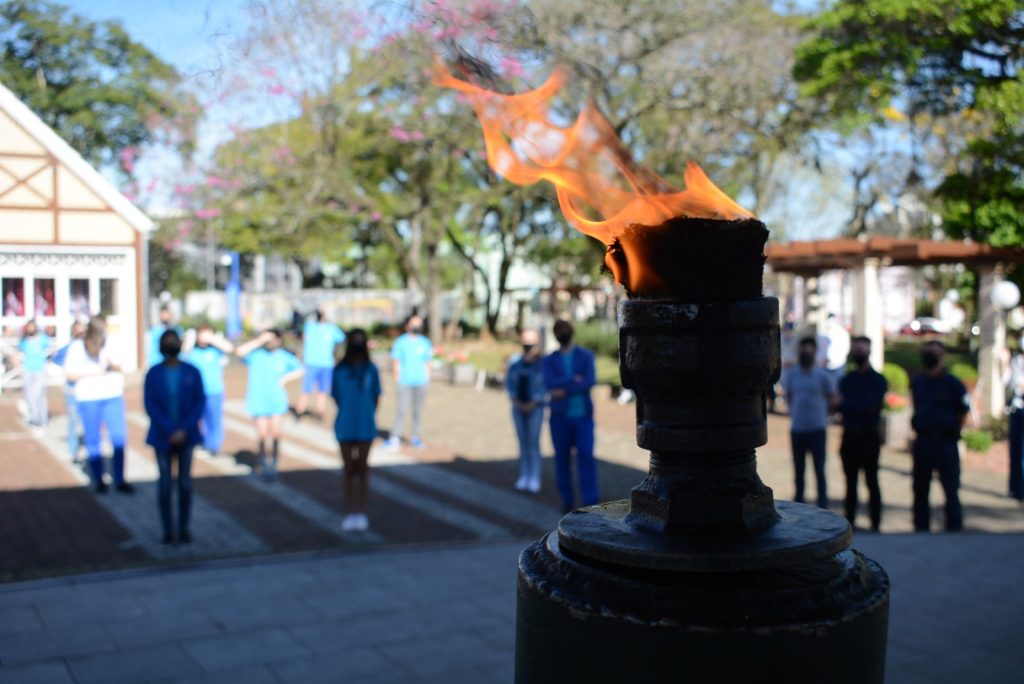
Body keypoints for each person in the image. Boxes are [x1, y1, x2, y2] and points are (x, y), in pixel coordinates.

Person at [144, 330, 205, 544]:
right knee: (165, 484)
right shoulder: (154, 373)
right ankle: (168, 529)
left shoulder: (192, 372)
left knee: (185, 483)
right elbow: (150, 405)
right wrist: (170, 429)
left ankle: (184, 527)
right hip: (163, 437)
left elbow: (199, 402)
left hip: (186, 436)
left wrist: (183, 429)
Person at [63, 317, 133, 494]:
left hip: (112, 396)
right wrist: (92, 372)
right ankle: (99, 478)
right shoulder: (77, 347)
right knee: (93, 439)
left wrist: (112, 364)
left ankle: (120, 479)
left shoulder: (111, 344)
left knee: (118, 438)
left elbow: (124, 365)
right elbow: (69, 375)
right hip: (88, 398)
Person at [910, 340, 970, 531]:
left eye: (934, 352)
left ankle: (954, 529)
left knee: (950, 488)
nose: (929, 356)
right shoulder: (919, 382)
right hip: (923, 441)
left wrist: (952, 429)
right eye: (927, 352)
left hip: (945, 442)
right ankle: (920, 530)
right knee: (920, 489)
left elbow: (963, 411)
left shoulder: (953, 384)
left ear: (943, 355)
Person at [542, 319, 598, 513]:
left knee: (586, 457)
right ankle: (567, 500)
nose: (562, 334)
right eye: (558, 331)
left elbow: (589, 381)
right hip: (559, 418)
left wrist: (563, 388)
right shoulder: (549, 360)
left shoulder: (585, 356)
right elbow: (549, 383)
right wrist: (574, 380)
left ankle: (590, 499)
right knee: (561, 460)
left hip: (583, 417)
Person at [235, 329, 304, 480]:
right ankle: (262, 461)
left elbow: (300, 369)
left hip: (277, 400)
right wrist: (259, 340)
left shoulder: (283, 356)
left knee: (276, 433)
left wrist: (285, 378)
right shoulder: (256, 355)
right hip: (258, 400)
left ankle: (274, 461)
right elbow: (239, 352)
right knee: (262, 434)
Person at [330, 328, 381, 532]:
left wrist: (367, 413)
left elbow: (376, 396)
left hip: (365, 425)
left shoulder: (371, 369)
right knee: (349, 469)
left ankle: (361, 510)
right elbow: (336, 395)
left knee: (363, 468)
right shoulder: (339, 370)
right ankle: (350, 509)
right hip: (345, 424)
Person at [837, 336, 888, 530]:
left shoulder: (878, 380)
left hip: (869, 436)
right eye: (856, 349)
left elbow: (869, 406)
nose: (859, 353)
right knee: (850, 483)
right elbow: (838, 404)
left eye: (862, 349)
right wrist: (849, 406)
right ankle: (850, 522)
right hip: (849, 436)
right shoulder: (847, 380)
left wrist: (847, 405)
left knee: (871, 480)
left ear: (869, 352)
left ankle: (876, 523)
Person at [782, 336, 837, 509]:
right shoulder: (792, 375)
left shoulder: (822, 376)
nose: (805, 351)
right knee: (799, 471)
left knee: (819, 471)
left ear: (814, 351)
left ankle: (823, 506)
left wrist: (823, 415)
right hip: (798, 429)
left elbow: (833, 398)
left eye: (809, 348)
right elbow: (788, 396)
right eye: (802, 348)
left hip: (817, 429)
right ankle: (799, 506)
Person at [183, 324, 235, 457]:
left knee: (214, 419)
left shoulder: (215, 350)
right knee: (198, 419)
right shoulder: (193, 351)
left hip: (215, 391)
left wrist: (212, 339)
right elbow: (183, 357)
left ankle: (214, 446)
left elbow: (230, 348)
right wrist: (189, 341)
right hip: (196, 392)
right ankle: (202, 442)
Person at [506, 328, 546, 493]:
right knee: (522, 442)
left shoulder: (542, 364)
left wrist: (533, 402)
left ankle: (534, 476)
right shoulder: (515, 362)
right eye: (525, 342)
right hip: (518, 407)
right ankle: (524, 475)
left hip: (535, 409)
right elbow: (509, 383)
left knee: (533, 443)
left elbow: (544, 386)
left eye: (531, 343)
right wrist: (516, 401)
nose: (528, 346)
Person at [385, 315, 433, 449]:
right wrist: (397, 378)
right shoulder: (401, 342)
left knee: (418, 411)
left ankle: (415, 437)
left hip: (421, 382)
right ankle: (395, 437)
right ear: (407, 326)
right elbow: (396, 361)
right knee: (402, 410)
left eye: (420, 323)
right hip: (404, 382)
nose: (418, 326)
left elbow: (427, 361)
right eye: (415, 323)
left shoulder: (425, 342)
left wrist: (427, 378)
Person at [295, 309, 346, 421]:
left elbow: (341, 338)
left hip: (326, 364)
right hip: (311, 363)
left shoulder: (332, 329)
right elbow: (299, 326)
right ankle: (300, 410)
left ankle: (320, 412)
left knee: (323, 389)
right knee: (306, 388)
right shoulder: (310, 326)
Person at [52, 321, 86, 460]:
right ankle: (72, 450)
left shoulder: (88, 347)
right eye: (78, 330)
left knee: (86, 421)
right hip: (72, 389)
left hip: (87, 389)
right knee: (72, 420)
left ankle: (88, 449)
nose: (80, 333)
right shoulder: (70, 348)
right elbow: (55, 358)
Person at [17, 320, 53, 428]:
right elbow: (19, 354)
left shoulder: (43, 338)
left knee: (39, 395)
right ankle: (34, 417)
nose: (30, 329)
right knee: (29, 394)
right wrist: (18, 366)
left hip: (39, 369)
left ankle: (42, 418)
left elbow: (50, 350)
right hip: (28, 369)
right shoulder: (24, 340)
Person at [1005, 337, 1024, 501]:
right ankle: (1015, 488)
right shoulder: (1016, 361)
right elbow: (1010, 383)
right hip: (1016, 409)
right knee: (1015, 450)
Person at [824, 313, 851, 381]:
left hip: (839, 364)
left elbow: (846, 348)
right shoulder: (825, 333)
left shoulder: (842, 333)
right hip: (826, 364)